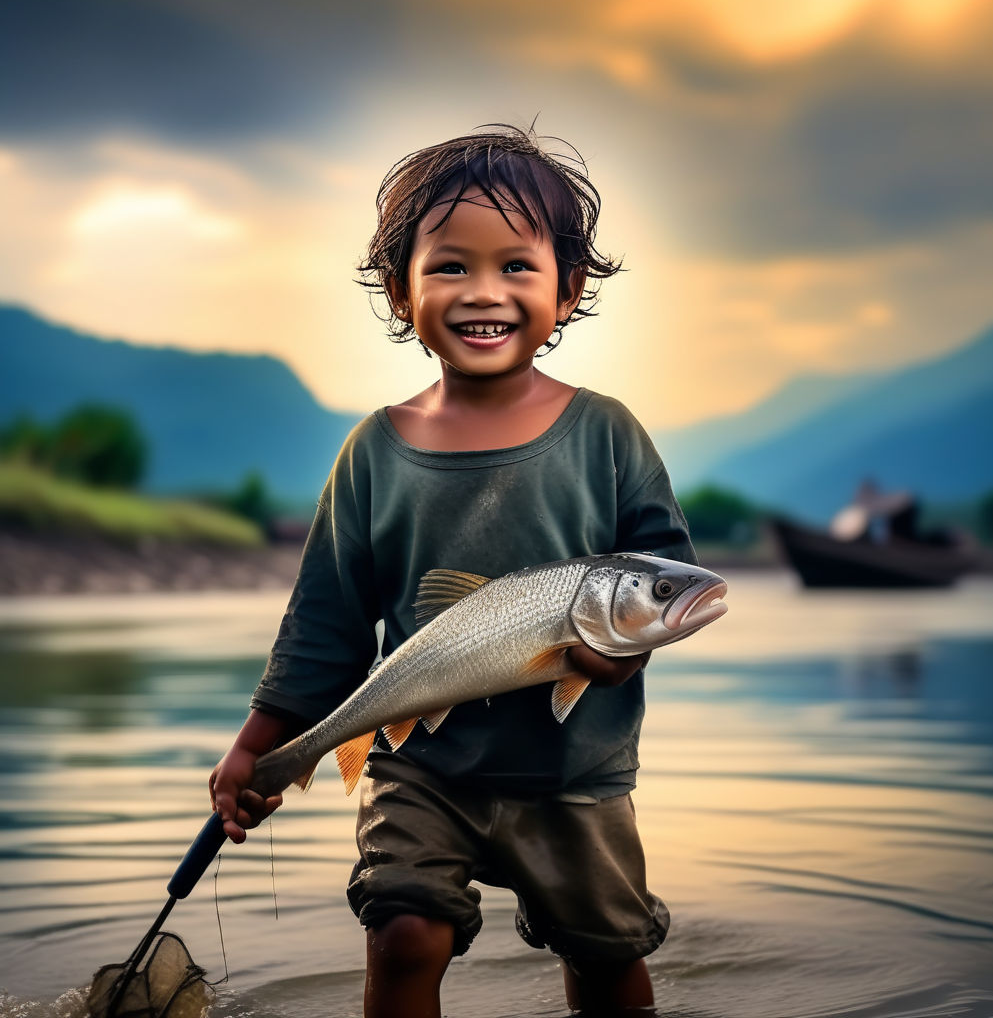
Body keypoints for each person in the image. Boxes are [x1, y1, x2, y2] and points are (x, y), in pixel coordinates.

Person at [209, 124, 697, 1018]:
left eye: (517, 266)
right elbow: (326, 624)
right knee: (403, 937)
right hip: (420, 765)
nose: (485, 293)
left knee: (605, 959)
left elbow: (664, 576)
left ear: (568, 288)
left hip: (574, 775)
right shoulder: (372, 452)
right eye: (449, 267)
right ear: (401, 293)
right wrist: (257, 744)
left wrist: (622, 654)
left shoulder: (608, 433)